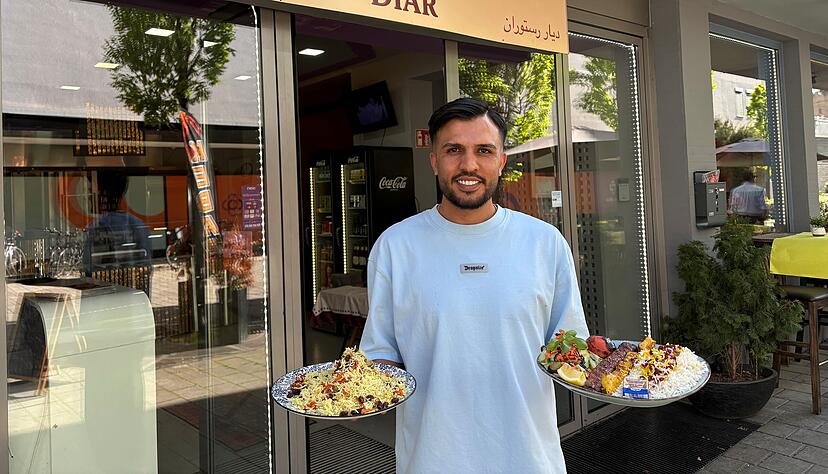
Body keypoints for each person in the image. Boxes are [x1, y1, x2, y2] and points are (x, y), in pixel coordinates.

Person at [359, 98, 589, 473]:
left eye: (484, 150)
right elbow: (380, 354)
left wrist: (625, 373)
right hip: (431, 461)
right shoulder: (395, 247)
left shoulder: (545, 243)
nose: (469, 165)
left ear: (501, 161)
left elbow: (572, 349)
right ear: (434, 161)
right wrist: (351, 390)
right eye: (453, 150)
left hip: (529, 459)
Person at [84, 172, 153, 290]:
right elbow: (145, 271)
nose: (88, 196)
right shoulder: (140, 226)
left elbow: (89, 271)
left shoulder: (96, 228)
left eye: (91, 190)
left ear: (103, 193)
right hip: (138, 301)